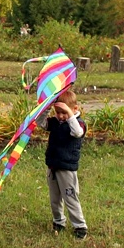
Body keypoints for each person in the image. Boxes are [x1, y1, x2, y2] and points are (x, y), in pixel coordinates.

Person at [36, 90, 88, 239]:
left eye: (63, 113)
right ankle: (58, 222)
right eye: (58, 112)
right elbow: (41, 123)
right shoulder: (56, 122)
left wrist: (69, 114)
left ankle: (80, 226)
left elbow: (77, 132)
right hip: (53, 166)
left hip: (67, 169)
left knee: (70, 198)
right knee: (55, 198)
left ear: (75, 109)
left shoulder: (78, 124)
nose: (60, 116)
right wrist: (47, 106)